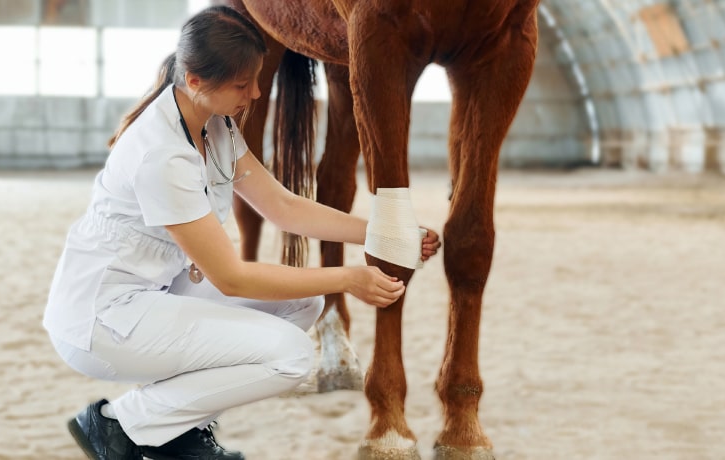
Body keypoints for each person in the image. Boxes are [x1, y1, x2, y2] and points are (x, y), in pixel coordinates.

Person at [43, 6, 442, 460]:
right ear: (194, 81)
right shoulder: (162, 156)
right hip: (101, 322)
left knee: (301, 303)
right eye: (241, 84)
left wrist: (383, 233)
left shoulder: (216, 125)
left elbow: (284, 207)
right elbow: (231, 278)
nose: (255, 93)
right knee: (291, 355)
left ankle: (177, 429)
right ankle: (119, 425)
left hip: (151, 294)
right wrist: (349, 278)